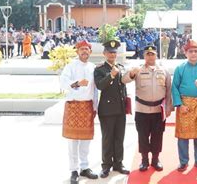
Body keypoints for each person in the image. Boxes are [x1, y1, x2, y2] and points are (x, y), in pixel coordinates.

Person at [122, 45, 173, 172]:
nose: (150, 56)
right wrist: (131, 74)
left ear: (156, 55)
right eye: (148, 54)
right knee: (143, 136)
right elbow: (124, 80)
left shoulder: (164, 71)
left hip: (158, 111)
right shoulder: (137, 69)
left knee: (157, 135)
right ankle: (144, 160)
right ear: (144, 56)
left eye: (153, 54)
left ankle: (155, 159)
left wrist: (168, 108)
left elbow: (168, 91)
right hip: (142, 110)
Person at [171, 39, 197, 172]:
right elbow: (174, 87)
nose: (193, 54)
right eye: (191, 51)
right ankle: (183, 162)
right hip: (185, 106)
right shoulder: (180, 68)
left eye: (196, 51)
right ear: (185, 53)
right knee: (183, 136)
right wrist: (179, 104)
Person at [60, 40, 99, 184]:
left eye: (87, 49)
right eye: (82, 49)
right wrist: (76, 83)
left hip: (87, 107)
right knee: (73, 141)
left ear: (90, 52)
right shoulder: (70, 66)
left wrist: (95, 107)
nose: (84, 51)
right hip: (74, 106)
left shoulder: (93, 67)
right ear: (77, 51)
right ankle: (74, 170)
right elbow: (63, 82)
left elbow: (95, 90)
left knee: (86, 140)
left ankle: (84, 167)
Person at [94, 39, 130, 178]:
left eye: (114, 52)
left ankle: (118, 163)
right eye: (109, 52)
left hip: (120, 108)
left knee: (119, 138)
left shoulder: (120, 66)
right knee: (108, 138)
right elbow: (100, 86)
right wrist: (111, 75)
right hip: (107, 109)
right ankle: (106, 166)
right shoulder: (99, 69)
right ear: (104, 53)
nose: (112, 55)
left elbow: (123, 87)